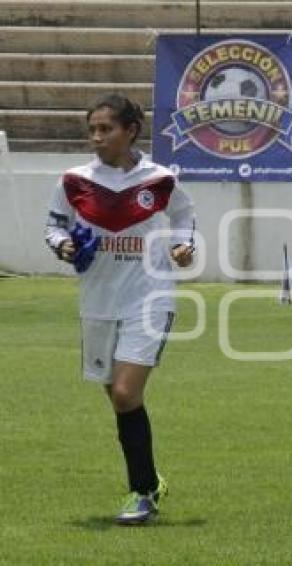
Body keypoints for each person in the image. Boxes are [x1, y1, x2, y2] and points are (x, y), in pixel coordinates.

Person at [44, 94, 195, 525]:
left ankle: (142, 492)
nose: (97, 137)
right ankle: (150, 478)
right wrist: (64, 244)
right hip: (97, 300)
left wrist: (186, 245)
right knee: (117, 395)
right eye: (92, 129)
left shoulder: (161, 179)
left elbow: (185, 216)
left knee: (127, 394)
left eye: (105, 128)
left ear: (131, 130)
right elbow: (53, 226)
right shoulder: (74, 180)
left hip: (150, 295)